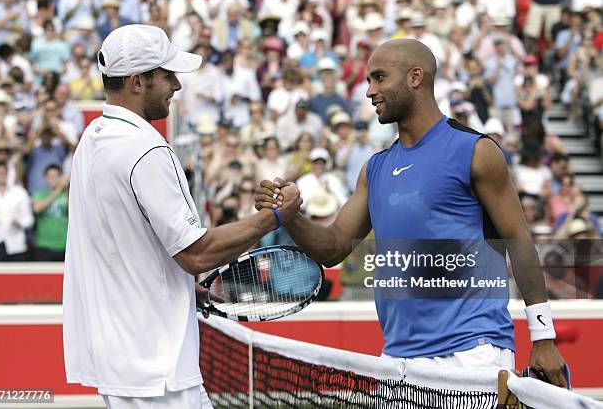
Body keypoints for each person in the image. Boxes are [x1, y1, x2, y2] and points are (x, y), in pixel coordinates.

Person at [255, 39, 567, 387]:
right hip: (398, 360)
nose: (370, 91)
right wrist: (291, 216)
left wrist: (543, 337)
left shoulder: (475, 151)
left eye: (379, 78)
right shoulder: (374, 169)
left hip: (472, 355)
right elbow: (333, 247)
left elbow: (520, 242)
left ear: (415, 77)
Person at [63, 24, 301, 409]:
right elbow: (196, 254)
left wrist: (174, 286)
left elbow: (122, 243)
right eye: (168, 75)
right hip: (158, 369)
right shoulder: (146, 149)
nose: (176, 85)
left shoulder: (93, 140)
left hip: (123, 362)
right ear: (138, 81)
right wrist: (274, 218)